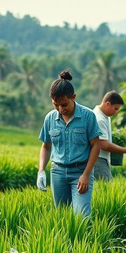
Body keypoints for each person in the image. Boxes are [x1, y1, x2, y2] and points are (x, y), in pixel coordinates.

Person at [37, 70, 102, 217]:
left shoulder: (87, 116)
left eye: (64, 104)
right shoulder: (50, 118)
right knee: (62, 216)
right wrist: (41, 170)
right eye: (56, 105)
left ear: (73, 97)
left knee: (82, 217)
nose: (61, 109)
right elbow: (46, 146)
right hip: (58, 173)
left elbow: (96, 145)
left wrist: (86, 174)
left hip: (80, 171)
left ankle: (84, 240)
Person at [92, 91, 126, 181]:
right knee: (105, 189)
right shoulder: (99, 118)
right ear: (107, 104)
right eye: (115, 108)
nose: (116, 112)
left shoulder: (105, 116)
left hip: (101, 159)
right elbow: (104, 145)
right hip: (98, 160)